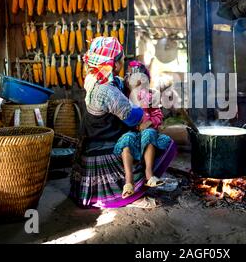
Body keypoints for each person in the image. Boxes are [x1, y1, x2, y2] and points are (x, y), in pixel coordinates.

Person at [70, 37, 177, 209]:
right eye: (121, 60)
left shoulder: (95, 78)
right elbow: (134, 116)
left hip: (94, 141)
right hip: (102, 148)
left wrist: (129, 85)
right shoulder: (106, 91)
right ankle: (132, 195)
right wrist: (144, 103)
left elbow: (120, 85)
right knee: (158, 141)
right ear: (116, 65)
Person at [114, 60, 172, 199]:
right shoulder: (123, 96)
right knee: (126, 140)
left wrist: (150, 122)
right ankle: (129, 182)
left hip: (147, 133)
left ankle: (149, 174)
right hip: (132, 133)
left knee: (149, 133)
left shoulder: (150, 95)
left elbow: (158, 115)